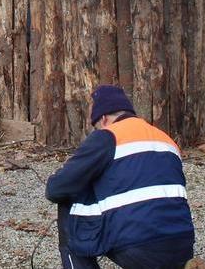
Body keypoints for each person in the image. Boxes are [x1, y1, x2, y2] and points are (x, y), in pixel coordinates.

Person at [45, 85, 197, 269]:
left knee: (69, 202)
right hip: (182, 244)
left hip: (139, 248)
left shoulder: (108, 136)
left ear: (104, 118)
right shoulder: (166, 139)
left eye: (97, 127)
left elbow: (56, 189)